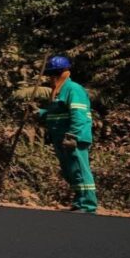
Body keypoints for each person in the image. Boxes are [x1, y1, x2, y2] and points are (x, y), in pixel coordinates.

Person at [38, 55, 97, 213]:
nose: (52, 77)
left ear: (62, 72)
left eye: (54, 73)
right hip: (61, 138)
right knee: (70, 171)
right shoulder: (59, 91)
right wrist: (38, 112)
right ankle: (79, 202)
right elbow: (55, 115)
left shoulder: (72, 89)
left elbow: (79, 115)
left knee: (79, 169)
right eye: (51, 74)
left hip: (73, 138)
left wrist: (73, 136)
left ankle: (88, 205)